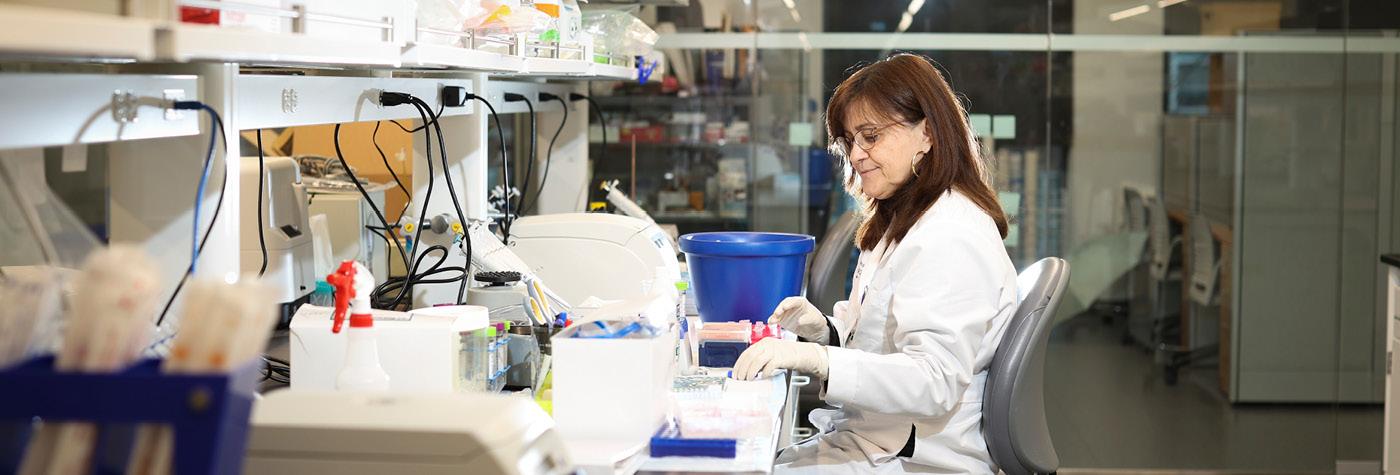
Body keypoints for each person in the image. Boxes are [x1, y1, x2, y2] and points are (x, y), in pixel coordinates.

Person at [730, 53, 1019, 474]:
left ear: (928, 133)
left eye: (871, 136)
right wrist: (824, 331)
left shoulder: (952, 234)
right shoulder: (903, 217)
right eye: (849, 141)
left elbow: (933, 381)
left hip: (915, 459)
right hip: (873, 438)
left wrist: (819, 361)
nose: (857, 154)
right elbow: (880, 341)